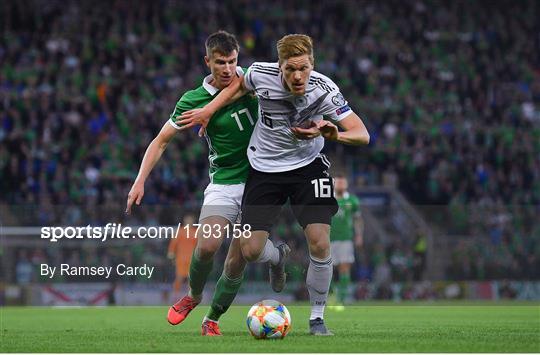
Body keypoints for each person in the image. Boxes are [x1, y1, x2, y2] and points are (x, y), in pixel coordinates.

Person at [178, 34, 370, 335]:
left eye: (303, 68)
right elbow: (237, 87)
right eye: (290, 69)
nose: (297, 76)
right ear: (278, 66)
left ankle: (317, 318)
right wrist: (208, 110)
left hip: (308, 168)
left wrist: (334, 136)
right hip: (265, 169)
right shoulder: (259, 74)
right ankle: (277, 257)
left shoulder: (325, 91)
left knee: (320, 241)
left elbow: (362, 134)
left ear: (312, 65)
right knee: (251, 250)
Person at [126, 31, 288, 336]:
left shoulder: (254, 80)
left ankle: (212, 318)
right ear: (207, 61)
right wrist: (139, 181)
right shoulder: (192, 99)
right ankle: (194, 296)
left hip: (261, 182)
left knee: (239, 259)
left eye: (232, 61)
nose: (227, 69)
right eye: (220, 62)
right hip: (224, 181)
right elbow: (160, 141)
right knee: (206, 246)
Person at [329, 174, 363, 307]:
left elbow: (358, 219)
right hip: (329, 239)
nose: (341, 185)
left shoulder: (352, 200)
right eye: (338, 183)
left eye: (343, 183)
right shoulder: (328, 199)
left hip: (345, 239)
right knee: (328, 269)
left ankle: (342, 299)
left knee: (344, 267)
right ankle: (331, 295)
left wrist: (359, 235)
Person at [167, 214, 198, 298]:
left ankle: (191, 298)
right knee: (179, 277)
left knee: (191, 279)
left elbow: (198, 246)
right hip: (180, 258)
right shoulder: (180, 231)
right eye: (187, 220)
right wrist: (171, 254)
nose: (189, 221)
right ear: (184, 221)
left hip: (192, 259)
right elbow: (173, 244)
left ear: (193, 221)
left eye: (190, 220)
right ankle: (175, 296)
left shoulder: (196, 232)